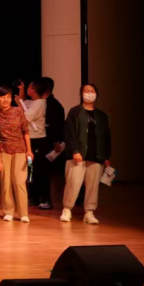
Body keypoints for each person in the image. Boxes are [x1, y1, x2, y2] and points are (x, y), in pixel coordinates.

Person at [62, 83, 111, 224]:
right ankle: (67, 209)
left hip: (96, 156)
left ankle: (89, 212)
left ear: (96, 94)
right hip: (78, 155)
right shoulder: (75, 112)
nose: (89, 93)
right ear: (81, 94)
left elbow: (106, 136)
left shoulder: (101, 116)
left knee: (93, 186)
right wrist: (75, 150)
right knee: (73, 183)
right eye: (86, 91)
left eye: (92, 91)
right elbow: (69, 133)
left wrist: (107, 156)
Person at [0, 86, 32, 223]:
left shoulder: (18, 111)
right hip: (2, 150)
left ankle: (23, 213)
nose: (5, 100)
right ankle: (8, 211)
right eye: (2, 97)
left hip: (20, 149)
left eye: (8, 97)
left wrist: (29, 150)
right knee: (5, 182)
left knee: (19, 181)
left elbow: (25, 132)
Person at [33, 77, 67, 210]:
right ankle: (37, 198)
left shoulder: (51, 104)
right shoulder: (44, 102)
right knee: (39, 171)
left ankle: (46, 200)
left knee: (44, 171)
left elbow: (55, 125)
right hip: (44, 141)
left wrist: (55, 141)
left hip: (48, 143)